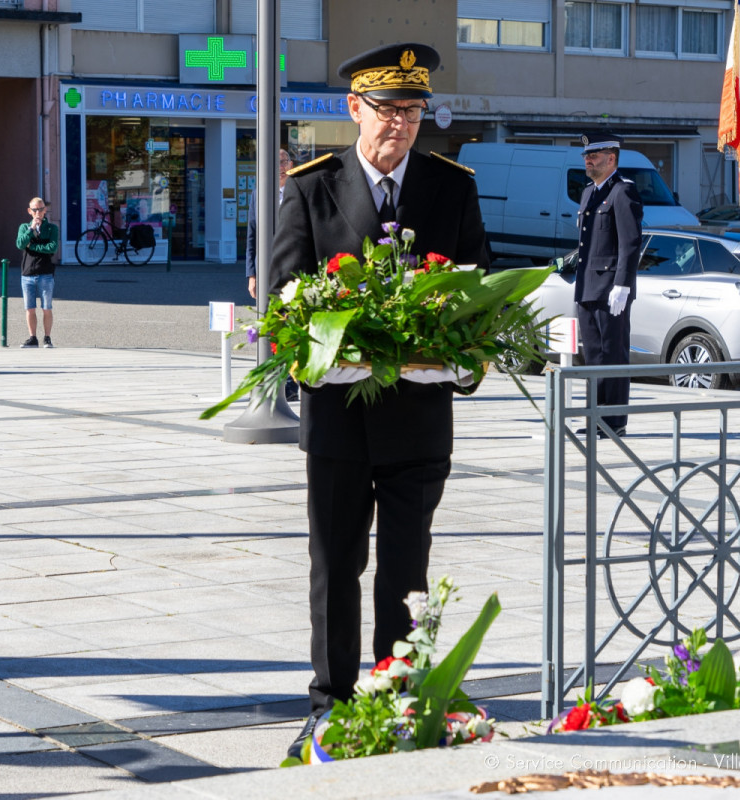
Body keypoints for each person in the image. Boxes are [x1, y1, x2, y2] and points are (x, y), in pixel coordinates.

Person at [268, 42, 489, 761]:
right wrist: (318, 355)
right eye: (389, 111)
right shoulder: (311, 187)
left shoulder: (451, 187)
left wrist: (460, 360)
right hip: (339, 421)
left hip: (420, 420)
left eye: (414, 111)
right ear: (353, 109)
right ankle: (328, 706)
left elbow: (478, 298)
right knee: (335, 565)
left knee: (405, 569)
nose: (401, 126)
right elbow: (281, 304)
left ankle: (396, 697)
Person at [573, 132, 643, 437]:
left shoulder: (622, 192)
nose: (588, 161)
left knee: (613, 353)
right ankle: (595, 417)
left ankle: (614, 420)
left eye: (594, 155)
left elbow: (630, 243)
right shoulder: (589, 193)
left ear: (611, 158)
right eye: (587, 156)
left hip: (611, 288)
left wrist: (623, 285)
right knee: (593, 357)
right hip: (587, 285)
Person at [246, 148, 299, 401]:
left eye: (283, 162)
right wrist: (251, 274)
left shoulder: (299, 190)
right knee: (269, 323)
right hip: (266, 270)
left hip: (293, 270)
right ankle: (272, 375)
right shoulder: (259, 193)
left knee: (290, 323)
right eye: (274, 162)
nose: (278, 167)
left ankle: (291, 380)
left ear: (290, 164)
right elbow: (252, 235)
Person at [17, 197, 60, 348]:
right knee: (30, 308)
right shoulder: (24, 227)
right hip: (27, 273)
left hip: (46, 273)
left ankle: (47, 338)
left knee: (46, 307)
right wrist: (31, 230)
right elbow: (20, 244)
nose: (38, 212)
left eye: (40, 209)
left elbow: (52, 248)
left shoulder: (52, 228)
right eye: (34, 210)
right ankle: (32, 338)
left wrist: (33, 247)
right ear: (29, 211)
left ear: (45, 210)